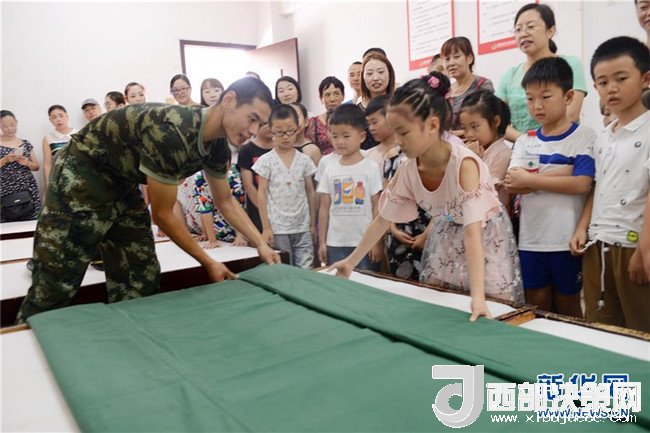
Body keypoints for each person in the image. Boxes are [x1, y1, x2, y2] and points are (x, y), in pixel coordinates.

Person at [17, 77, 281, 321]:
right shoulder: (172, 131)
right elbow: (163, 215)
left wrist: (260, 243)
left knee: (139, 276)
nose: (253, 130)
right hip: (80, 175)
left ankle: (135, 340)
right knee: (56, 281)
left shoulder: (218, 145)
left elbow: (225, 201)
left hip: (122, 182)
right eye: (252, 118)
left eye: (260, 124)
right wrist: (209, 262)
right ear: (229, 100)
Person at [330, 72, 524, 321]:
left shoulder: (463, 165)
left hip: (484, 234)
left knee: (490, 306)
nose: (398, 141)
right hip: (446, 230)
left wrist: (478, 298)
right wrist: (350, 261)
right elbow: (382, 219)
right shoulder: (408, 168)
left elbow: (472, 232)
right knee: (444, 305)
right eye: (395, 133)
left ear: (432, 125)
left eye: (403, 133)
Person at [504, 57, 596, 318]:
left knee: (569, 306)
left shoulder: (584, 136)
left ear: (568, 96)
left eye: (545, 97)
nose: (537, 105)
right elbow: (514, 183)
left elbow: (582, 184)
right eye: (530, 98)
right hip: (531, 240)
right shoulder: (525, 141)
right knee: (537, 305)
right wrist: (566, 171)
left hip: (567, 239)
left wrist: (532, 178)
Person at [569, 36, 650, 332]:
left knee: (640, 330)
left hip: (634, 246)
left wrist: (644, 249)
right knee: (599, 327)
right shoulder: (603, 137)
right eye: (602, 82)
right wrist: (582, 227)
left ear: (645, 79)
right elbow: (598, 186)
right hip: (598, 244)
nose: (611, 88)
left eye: (621, 78)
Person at [496, 3, 587, 142]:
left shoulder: (570, 65)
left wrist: (541, 144)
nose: (523, 34)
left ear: (550, 31)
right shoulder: (509, 76)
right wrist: (527, 142)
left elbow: (571, 114)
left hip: (564, 146)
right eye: (518, 29)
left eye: (531, 26)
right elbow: (498, 121)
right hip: (524, 149)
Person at [317, 104, 383, 272]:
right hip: (335, 242)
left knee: (366, 282)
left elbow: (377, 206)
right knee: (339, 282)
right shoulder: (329, 169)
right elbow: (324, 208)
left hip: (364, 242)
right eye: (334, 136)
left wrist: (376, 242)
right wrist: (322, 241)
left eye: (346, 136)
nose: (340, 141)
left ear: (362, 136)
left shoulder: (371, 168)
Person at [254, 104, 317, 269]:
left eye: (290, 131)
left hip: (303, 226)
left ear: (298, 129)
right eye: (279, 132)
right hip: (278, 228)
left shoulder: (304, 160)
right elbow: (261, 194)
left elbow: (311, 192)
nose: (285, 136)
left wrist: (312, 223)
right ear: (271, 132)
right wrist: (266, 228)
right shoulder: (266, 161)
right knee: (283, 269)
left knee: (307, 270)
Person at [459, 90, 513, 207]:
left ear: (496, 121)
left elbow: (487, 192)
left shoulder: (503, 153)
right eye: (464, 128)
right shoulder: (467, 149)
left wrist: (474, 160)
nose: (469, 134)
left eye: (474, 126)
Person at [440, 37, 494, 135]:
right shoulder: (445, 91)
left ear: (469, 58)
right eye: (447, 59)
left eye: (456, 57)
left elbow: (488, 122)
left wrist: (453, 135)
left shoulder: (482, 85)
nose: (451, 63)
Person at [0, 110, 41, 222]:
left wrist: (27, 163)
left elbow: (36, 167)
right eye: (5, 126)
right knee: (7, 224)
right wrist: (6, 159)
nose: (10, 128)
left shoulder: (25, 143)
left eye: (12, 124)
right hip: (4, 190)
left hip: (27, 188)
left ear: (16, 122)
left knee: (31, 222)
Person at [193, 169, 247, 248]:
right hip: (217, 226)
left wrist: (240, 236)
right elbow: (205, 210)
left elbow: (240, 208)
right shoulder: (199, 179)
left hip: (238, 223)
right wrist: (212, 240)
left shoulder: (233, 178)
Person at [238, 122, 274, 232]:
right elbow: (248, 185)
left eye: (271, 122)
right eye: (264, 123)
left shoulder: (281, 147)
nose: (268, 126)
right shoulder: (247, 150)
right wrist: (264, 210)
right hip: (257, 211)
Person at [306, 76, 345, 155]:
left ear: (343, 96)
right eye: (327, 95)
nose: (332, 99)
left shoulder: (351, 119)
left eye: (336, 94)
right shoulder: (314, 123)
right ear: (321, 98)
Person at [42, 105, 77, 185]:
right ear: (50, 120)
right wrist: (48, 184)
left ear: (67, 116)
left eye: (61, 116)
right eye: (54, 117)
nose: (58, 119)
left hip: (79, 178)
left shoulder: (78, 134)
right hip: (59, 180)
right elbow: (47, 164)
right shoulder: (48, 138)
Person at [364, 95, 398, 169]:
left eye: (374, 122)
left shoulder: (407, 152)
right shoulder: (367, 156)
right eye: (368, 124)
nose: (371, 128)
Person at [290, 102, 321, 167]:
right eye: (289, 117)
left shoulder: (313, 150)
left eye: (296, 117)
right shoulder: (280, 147)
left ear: (306, 122)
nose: (293, 122)